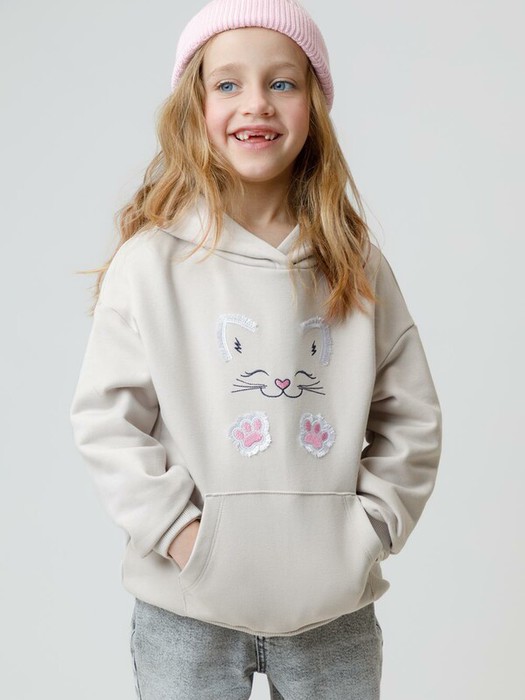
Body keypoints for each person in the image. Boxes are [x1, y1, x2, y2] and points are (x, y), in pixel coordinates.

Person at [69, 0, 442, 697]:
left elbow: (411, 415)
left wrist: (367, 533)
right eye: (228, 83)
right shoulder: (150, 263)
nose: (257, 103)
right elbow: (106, 421)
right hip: (187, 610)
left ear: (314, 105)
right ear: (195, 105)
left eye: (282, 82)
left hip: (332, 615)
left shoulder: (353, 263)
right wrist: (184, 538)